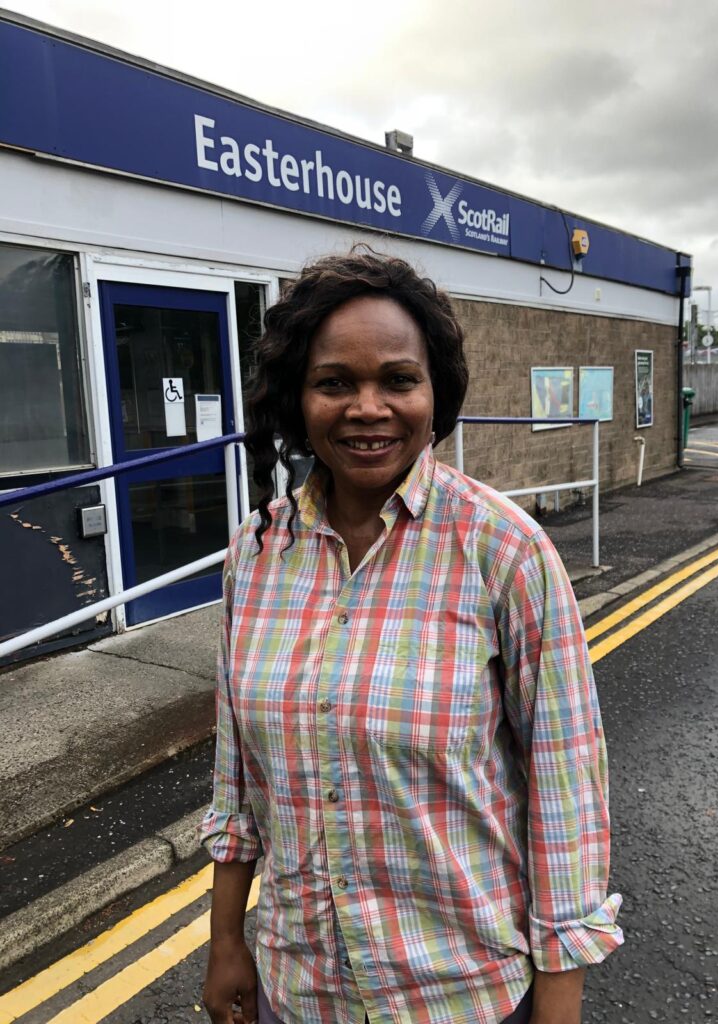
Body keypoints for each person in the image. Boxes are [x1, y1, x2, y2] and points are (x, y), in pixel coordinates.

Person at [200, 249, 623, 1024]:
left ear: (436, 392)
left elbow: (565, 790)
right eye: (335, 383)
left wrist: (559, 1005)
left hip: (461, 996)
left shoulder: (505, 551)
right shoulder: (254, 557)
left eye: (398, 379)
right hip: (299, 994)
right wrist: (227, 940)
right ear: (298, 396)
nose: (368, 408)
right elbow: (237, 779)